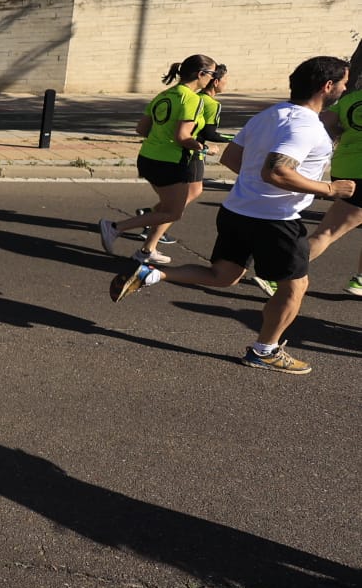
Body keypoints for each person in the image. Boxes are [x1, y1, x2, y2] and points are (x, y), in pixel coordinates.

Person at [111, 56, 355, 375]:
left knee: (223, 276)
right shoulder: (307, 126)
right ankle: (264, 351)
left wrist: (257, 183)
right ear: (327, 86)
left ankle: (151, 274)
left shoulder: (268, 115)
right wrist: (328, 190)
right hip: (276, 220)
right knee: (295, 287)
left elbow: (232, 157)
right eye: (344, 82)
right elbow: (277, 171)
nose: (346, 87)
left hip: (237, 211)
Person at [97, 56, 217, 265]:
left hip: (148, 158)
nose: (213, 79)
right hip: (169, 163)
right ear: (201, 74)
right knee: (173, 212)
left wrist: (162, 137)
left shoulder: (165, 95)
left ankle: (147, 250)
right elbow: (183, 137)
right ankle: (115, 227)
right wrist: (205, 148)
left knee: (166, 206)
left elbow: (141, 129)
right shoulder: (192, 99)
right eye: (213, 74)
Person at [306, 48, 362, 295]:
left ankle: (360, 279)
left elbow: (325, 124)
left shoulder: (349, 101)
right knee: (328, 232)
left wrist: (344, 133)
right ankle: (280, 273)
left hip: (344, 168)